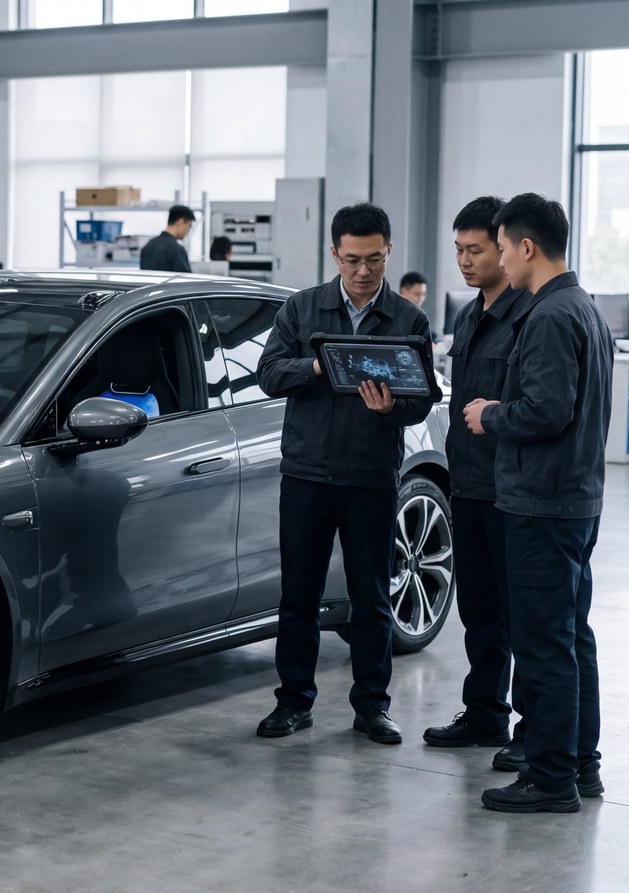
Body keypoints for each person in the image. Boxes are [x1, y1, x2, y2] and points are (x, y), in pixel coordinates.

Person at [255, 203, 435, 747]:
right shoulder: (302, 309)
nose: (363, 271)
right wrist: (317, 365)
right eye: (352, 259)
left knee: (373, 597)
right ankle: (293, 703)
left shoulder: (409, 320)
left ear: (389, 253)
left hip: (372, 478)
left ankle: (372, 707)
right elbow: (267, 374)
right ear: (335, 254)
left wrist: (392, 409)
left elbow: (425, 396)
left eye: (374, 259)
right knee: (299, 597)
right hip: (307, 476)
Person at [463, 193, 612, 814]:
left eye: (499, 247)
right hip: (574, 499)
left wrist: (489, 413)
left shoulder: (550, 315)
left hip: (542, 502)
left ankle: (550, 778)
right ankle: (579, 765)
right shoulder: (584, 307)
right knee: (571, 636)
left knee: (546, 642)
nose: (496, 257)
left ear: (525, 248)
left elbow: (547, 410)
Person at [422, 197, 529, 771]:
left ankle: (532, 731)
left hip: (510, 488)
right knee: (480, 610)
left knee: (519, 616)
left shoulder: (528, 315)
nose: (463, 261)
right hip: (467, 482)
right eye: (458, 250)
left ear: (506, 247)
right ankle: (485, 712)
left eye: (476, 250)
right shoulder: (467, 314)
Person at [139, 205, 195, 273]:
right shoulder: (176, 249)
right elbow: (186, 281)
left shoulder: (148, 246)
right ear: (181, 222)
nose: (188, 231)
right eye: (189, 226)